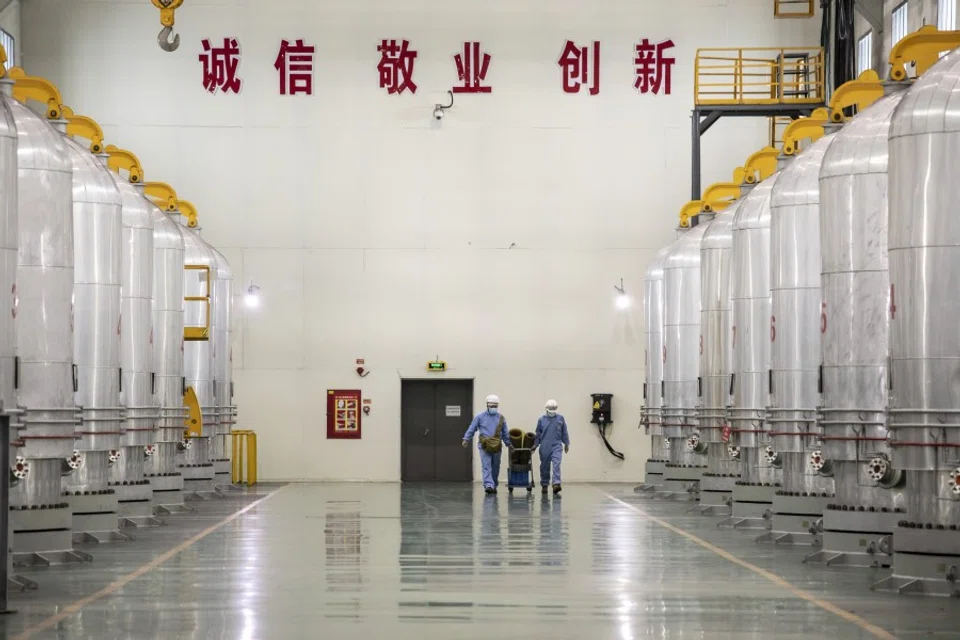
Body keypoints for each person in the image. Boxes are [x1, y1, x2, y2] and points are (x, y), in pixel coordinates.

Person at [462, 394, 510, 494]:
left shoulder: (501, 418)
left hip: (497, 446)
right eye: (491, 406)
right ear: (487, 405)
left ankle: (494, 484)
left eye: (495, 406)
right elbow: (472, 428)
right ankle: (489, 485)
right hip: (484, 446)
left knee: (496, 466)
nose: (493, 408)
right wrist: (466, 439)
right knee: (486, 465)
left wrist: (508, 443)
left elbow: (505, 432)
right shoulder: (480, 417)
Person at [534, 399, 570, 494]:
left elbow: (564, 431)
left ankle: (556, 484)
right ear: (546, 409)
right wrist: (535, 445)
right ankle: (544, 484)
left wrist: (566, 443)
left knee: (556, 464)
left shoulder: (560, 419)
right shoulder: (541, 420)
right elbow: (538, 434)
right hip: (545, 446)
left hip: (556, 445)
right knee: (544, 466)